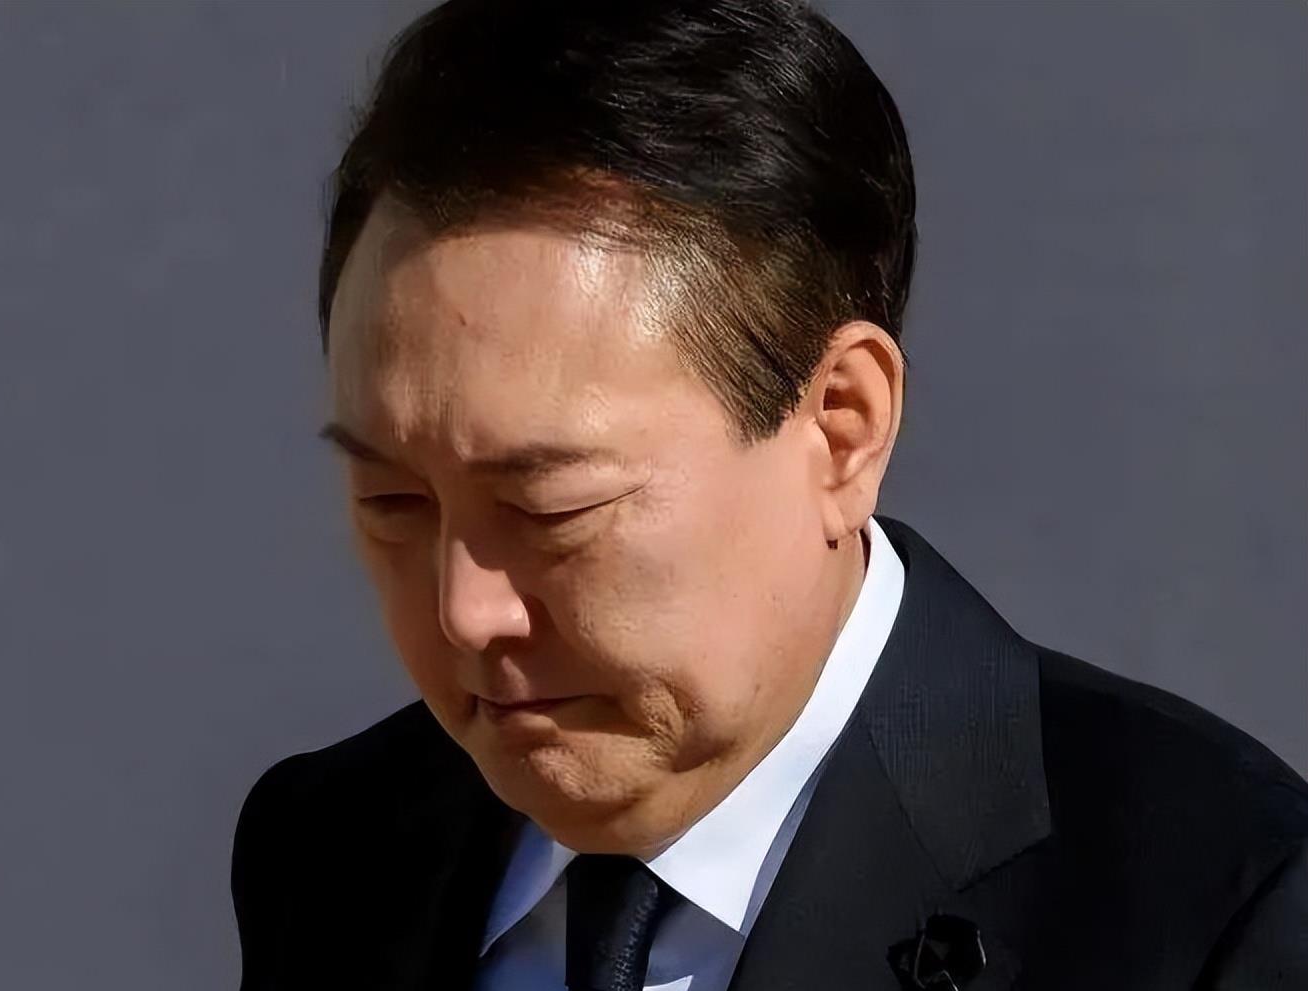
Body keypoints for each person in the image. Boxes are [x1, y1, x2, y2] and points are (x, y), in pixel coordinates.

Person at [230, 1, 1308, 988]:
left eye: (551, 509)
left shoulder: (1210, 910)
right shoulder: (331, 852)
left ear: (841, 427)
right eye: (393, 502)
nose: (467, 611)